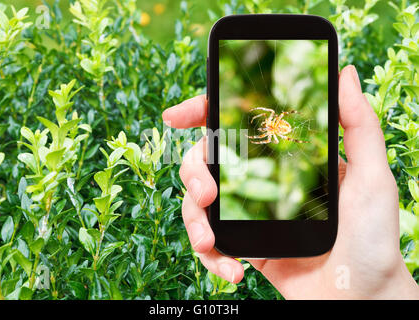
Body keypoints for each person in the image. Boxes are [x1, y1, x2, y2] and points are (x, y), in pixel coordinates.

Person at [162, 65, 419, 299]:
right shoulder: (273, 132)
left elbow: (276, 125)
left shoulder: (278, 125)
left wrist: (382, 290)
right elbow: (269, 137)